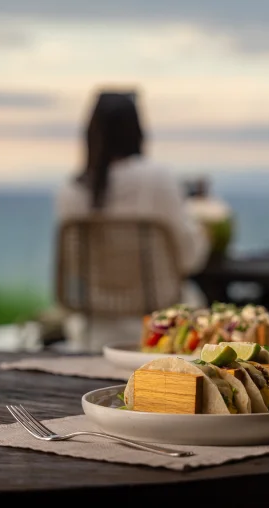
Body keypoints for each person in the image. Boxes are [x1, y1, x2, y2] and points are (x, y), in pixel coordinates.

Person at [47, 90, 210, 349]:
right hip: (164, 327)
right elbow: (190, 259)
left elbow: (76, 267)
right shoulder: (159, 179)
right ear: (138, 130)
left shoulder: (71, 190)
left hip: (95, 329)